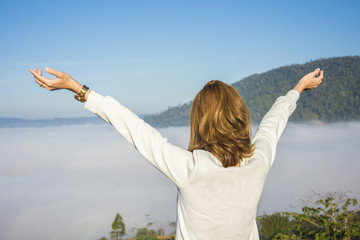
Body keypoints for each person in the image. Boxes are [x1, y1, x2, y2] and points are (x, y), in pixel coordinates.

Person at [29, 67, 323, 240]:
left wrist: (78, 89)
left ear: (199, 120)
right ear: (240, 115)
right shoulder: (258, 160)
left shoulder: (190, 167)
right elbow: (274, 122)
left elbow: (135, 128)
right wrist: (298, 88)